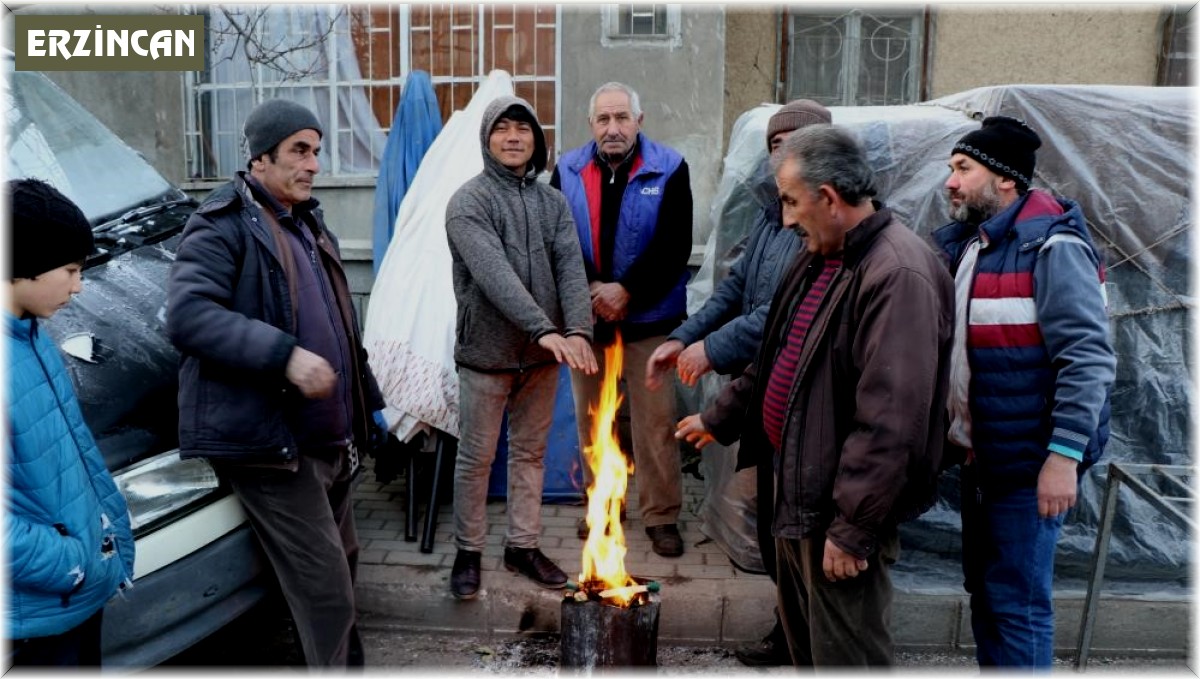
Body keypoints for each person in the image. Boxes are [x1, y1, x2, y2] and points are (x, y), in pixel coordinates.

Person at [676, 125, 953, 666]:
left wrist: (853, 531)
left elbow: (891, 422)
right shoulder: (821, 254)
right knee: (808, 652)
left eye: (789, 201)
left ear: (828, 197)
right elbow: (781, 354)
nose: (784, 218)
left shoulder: (896, 273)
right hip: (797, 489)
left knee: (846, 658)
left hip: (835, 509)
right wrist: (720, 417)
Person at [166, 99, 386, 667]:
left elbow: (339, 325)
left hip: (329, 443)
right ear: (260, 158)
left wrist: (371, 410)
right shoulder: (221, 224)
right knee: (326, 590)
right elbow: (188, 316)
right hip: (272, 445)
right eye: (299, 151)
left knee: (343, 566)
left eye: (316, 151)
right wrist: (283, 356)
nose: (314, 164)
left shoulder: (308, 222)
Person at [645, 100, 829, 666]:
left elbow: (782, 311)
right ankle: (790, 630)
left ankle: (814, 643)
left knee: (803, 537)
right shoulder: (773, 215)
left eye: (790, 144)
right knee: (778, 536)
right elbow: (734, 288)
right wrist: (684, 336)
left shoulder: (821, 223)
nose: (779, 156)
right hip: (766, 391)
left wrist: (712, 349)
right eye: (773, 146)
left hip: (807, 403)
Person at [933, 116, 1116, 668]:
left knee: (1017, 604)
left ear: (1006, 180)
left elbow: (1087, 358)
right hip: (984, 462)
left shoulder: (1053, 249)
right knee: (989, 596)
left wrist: (1061, 459)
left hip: (1030, 466)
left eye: (963, 169)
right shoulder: (976, 247)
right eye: (951, 169)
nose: (950, 182)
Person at [445, 96, 598, 600]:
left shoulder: (551, 201)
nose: (514, 138)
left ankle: (523, 546)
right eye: (503, 129)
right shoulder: (469, 202)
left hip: (542, 356)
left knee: (530, 453)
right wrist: (542, 327)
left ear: (537, 139)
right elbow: (494, 276)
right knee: (476, 458)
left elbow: (570, 267)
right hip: (486, 353)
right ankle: (468, 551)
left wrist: (578, 330)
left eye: (523, 130)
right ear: (487, 139)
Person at [550, 82, 693, 557]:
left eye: (621, 118)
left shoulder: (669, 167)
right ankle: (604, 510)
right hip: (586, 320)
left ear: (639, 120)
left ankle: (662, 516)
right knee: (594, 422)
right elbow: (558, 242)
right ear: (591, 125)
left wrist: (626, 290)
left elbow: (675, 246)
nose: (613, 128)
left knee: (654, 423)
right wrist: (591, 291)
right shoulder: (567, 169)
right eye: (603, 119)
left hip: (649, 319)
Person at [6, 179, 136, 667]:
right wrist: (74, 563)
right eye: (70, 269)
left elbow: (75, 454)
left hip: (73, 595)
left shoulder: (32, 334)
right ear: (23, 264)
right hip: (34, 614)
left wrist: (110, 539)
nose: (79, 285)